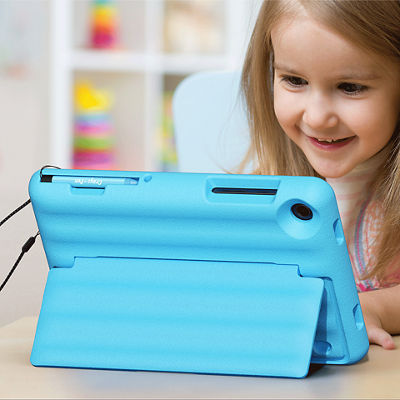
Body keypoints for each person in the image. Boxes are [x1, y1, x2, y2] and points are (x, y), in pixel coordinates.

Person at [240, 0, 400, 349]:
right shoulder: (267, 188)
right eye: (295, 80)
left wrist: (378, 309)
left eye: (350, 87)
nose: (316, 117)